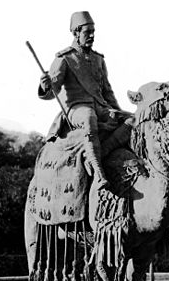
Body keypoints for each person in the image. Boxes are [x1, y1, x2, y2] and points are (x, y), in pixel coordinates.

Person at [38, 11, 132, 189]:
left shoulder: (98, 59)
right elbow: (53, 90)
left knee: (132, 120)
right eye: (87, 32)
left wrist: (117, 112)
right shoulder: (64, 58)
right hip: (76, 108)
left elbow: (107, 91)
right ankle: (98, 172)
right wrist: (46, 85)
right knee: (89, 118)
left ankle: (97, 156)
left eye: (93, 32)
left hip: (100, 106)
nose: (92, 36)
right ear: (75, 33)